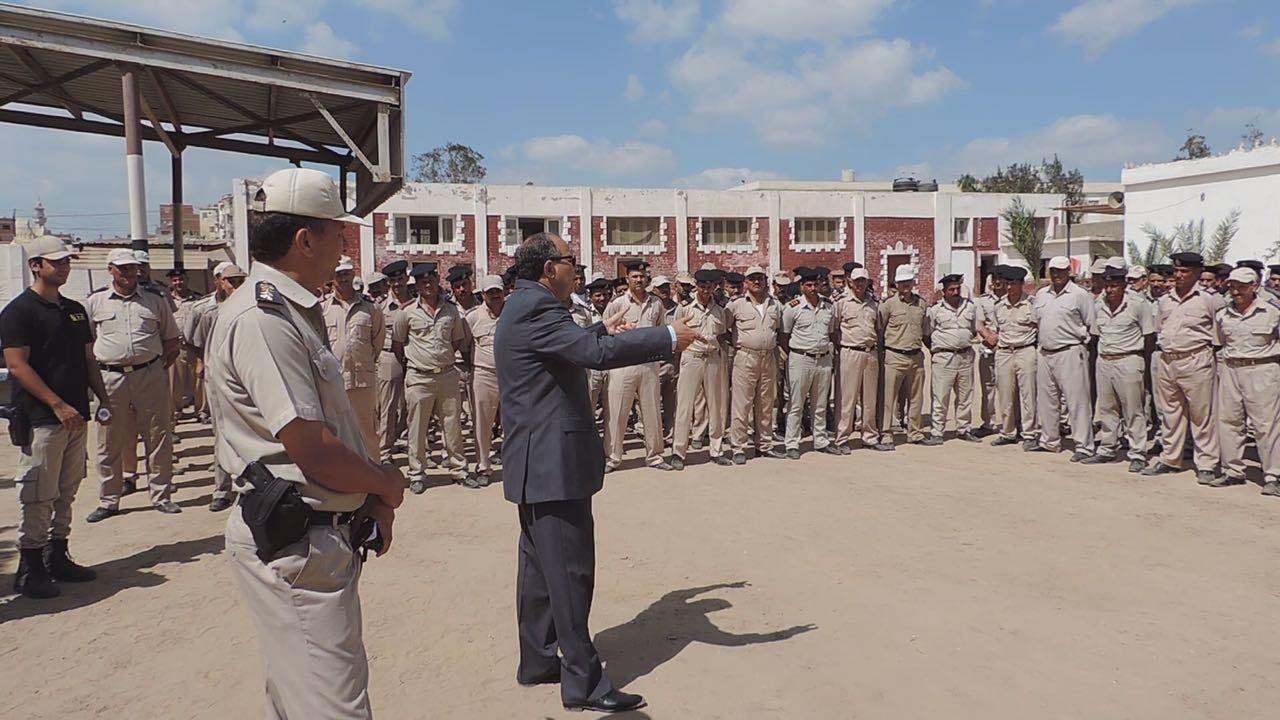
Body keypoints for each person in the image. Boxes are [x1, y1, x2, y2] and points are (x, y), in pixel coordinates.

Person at [205, 168, 403, 718]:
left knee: (299, 697)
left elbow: (329, 430)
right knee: (332, 705)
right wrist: (386, 483)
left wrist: (366, 499)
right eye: (338, 232)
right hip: (297, 543)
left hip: (313, 534)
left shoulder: (290, 309)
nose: (345, 243)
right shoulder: (264, 318)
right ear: (305, 239)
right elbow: (311, 447)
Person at [496, 232, 695, 715]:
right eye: (570, 261)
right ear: (548, 269)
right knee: (570, 573)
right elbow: (593, 357)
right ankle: (584, 683)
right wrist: (668, 336)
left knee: (540, 572)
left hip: (534, 463)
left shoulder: (524, 305)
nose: (577, 269)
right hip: (553, 464)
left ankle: (539, 659)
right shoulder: (539, 308)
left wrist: (605, 330)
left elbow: (576, 345)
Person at [2, 235, 106, 599]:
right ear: (36, 265)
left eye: (66, 261)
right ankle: (30, 568)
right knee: (37, 493)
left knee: (67, 489)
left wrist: (101, 399)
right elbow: (17, 365)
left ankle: (57, 554)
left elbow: (87, 359)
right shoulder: (19, 312)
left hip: (76, 415)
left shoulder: (73, 309)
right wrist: (57, 405)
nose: (64, 266)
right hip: (43, 418)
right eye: (56, 261)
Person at [84, 248, 182, 522]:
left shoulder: (155, 301)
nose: (127, 273)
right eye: (121, 268)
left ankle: (161, 496)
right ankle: (109, 500)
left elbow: (171, 340)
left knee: (158, 436)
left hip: (149, 375)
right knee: (109, 439)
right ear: (110, 269)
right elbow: (88, 344)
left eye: (131, 268)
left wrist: (156, 367)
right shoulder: (96, 302)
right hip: (109, 378)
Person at [1142, 252, 1224, 483]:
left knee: (1202, 415)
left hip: (1196, 360)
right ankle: (1171, 458)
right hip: (1169, 360)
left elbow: (1219, 336)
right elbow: (1160, 329)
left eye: (1184, 271)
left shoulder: (1210, 299)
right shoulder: (1165, 299)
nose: (1178, 275)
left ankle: (1206, 463)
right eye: (1176, 271)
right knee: (1170, 413)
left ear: (1197, 273)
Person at [394, 261, 470, 491]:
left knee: (453, 424)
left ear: (438, 281)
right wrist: (416, 364)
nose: (428, 285)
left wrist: (441, 359)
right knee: (417, 427)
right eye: (422, 281)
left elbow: (456, 341)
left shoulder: (451, 311)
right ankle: (417, 473)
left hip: (446, 375)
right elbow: (398, 344)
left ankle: (458, 469)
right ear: (416, 285)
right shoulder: (406, 313)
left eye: (431, 280)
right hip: (419, 377)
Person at [1211, 267, 1280, 493]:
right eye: (1232, 286)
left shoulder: (1272, 312)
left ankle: (1273, 476)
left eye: (1241, 286)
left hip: (1262, 370)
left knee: (1266, 424)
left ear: (1255, 287)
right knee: (1229, 422)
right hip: (1231, 368)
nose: (1236, 291)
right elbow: (1220, 342)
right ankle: (1233, 470)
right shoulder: (1222, 314)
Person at [603, 260, 672, 471]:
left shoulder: (656, 304)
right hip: (623, 365)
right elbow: (605, 332)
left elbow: (660, 331)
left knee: (651, 412)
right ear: (627, 279)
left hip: (648, 365)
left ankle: (655, 456)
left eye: (642, 277)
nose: (639, 280)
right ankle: (613, 458)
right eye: (634, 277)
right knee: (617, 413)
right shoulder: (617, 304)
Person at [1084, 267, 1155, 472]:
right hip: (1105, 360)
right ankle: (1107, 448)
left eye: (1114, 285)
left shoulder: (1138, 304)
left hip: (1129, 359)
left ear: (1124, 285)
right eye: (1107, 285)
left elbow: (1149, 336)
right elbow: (1097, 334)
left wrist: (1142, 363)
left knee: (1133, 410)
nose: (1110, 290)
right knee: (1107, 409)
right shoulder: (1099, 305)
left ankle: (1138, 452)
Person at [190, 262, 247, 511]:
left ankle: (248, 487)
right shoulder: (207, 310)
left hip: (245, 378)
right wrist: (204, 361)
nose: (236, 285)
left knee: (249, 432)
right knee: (222, 434)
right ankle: (221, 489)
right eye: (230, 281)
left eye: (239, 280)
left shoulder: (250, 307)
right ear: (219, 281)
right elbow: (194, 341)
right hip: (218, 379)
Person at [1030, 256, 1096, 461]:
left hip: (1070, 351)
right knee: (1046, 400)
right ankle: (1049, 441)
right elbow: (1035, 322)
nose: (1056, 275)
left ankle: (1084, 445)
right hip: (1045, 352)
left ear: (1069, 272)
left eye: (1060, 270)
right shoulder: (1041, 295)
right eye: (1053, 271)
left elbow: (1091, 326)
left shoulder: (1080, 295)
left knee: (1077, 401)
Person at [323, 255, 386, 460]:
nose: (343, 278)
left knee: (367, 431)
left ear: (353, 274)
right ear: (332, 277)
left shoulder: (370, 308)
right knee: (336, 432)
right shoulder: (322, 309)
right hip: (333, 380)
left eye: (347, 274)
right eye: (339, 274)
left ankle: (374, 478)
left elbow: (377, 343)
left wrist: (363, 362)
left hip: (362, 380)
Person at [671, 269, 731, 469]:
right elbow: (677, 333)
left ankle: (716, 449)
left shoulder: (720, 309)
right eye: (703, 287)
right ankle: (678, 452)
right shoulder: (685, 308)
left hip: (713, 358)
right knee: (685, 406)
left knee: (717, 406)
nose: (706, 291)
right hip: (692, 357)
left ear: (714, 287)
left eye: (710, 287)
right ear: (696, 286)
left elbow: (721, 333)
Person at [725, 265, 785, 463]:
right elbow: (725, 330)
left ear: (766, 281)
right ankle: (739, 447)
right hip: (745, 357)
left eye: (760, 278)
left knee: (766, 403)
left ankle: (764, 445)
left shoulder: (775, 305)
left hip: (768, 357)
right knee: (741, 404)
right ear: (746, 283)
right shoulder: (736, 306)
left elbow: (777, 330)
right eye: (752, 279)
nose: (757, 282)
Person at [781, 266, 840, 459]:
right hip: (800, 358)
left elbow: (832, 332)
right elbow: (784, 335)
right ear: (801, 286)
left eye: (816, 284)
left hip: (823, 358)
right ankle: (791, 443)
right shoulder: (793, 308)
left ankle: (820, 440)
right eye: (809, 285)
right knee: (796, 403)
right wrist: (796, 353)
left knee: (820, 403)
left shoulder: (829, 306)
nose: (813, 288)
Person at [983, 265, 1039, 448]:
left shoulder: (1031, 304)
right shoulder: (999, 306)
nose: (1008, 287)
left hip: (1026, 350)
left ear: (1021, 284)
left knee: (1028, 394)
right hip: (1005, 352)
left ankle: (1030, 433)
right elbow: (995, 329)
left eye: (1013, 283)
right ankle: (1008, 432)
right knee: (1005, 394)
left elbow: (1039, 327)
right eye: (1007, 283)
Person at [833, 267, 886, 451]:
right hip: (850, 352)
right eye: (857, 281)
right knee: (847, 398)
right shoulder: (842, 303)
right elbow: (834, 329)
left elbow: (878, 329)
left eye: (863, 280)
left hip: (870, 353)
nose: (860, 284)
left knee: (870, 400)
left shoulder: (874, 304)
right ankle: (842, 438)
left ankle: (869, 436)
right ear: (850, 282)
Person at [924, 273, 981, 444]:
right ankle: (937, 432)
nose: (955, 292)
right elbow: (927, 334)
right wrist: (939, 349)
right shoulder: (935, 310)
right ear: (944, 291)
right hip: (944, 357)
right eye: (951, 289)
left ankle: (963, 429)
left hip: (965, 356)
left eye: (958, 289)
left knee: (965, 395)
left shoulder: (970, 307)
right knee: (940, 396)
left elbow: (972, 330)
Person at [878, 265, 928, 447]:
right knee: (888, 398)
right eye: (902, 282)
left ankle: (914, 432)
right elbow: (880, 330)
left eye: (908, 281)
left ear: (913, 282)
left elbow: (925, 330)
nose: (905, 285)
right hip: (894, 356)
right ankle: (886, 434)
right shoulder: (888, 305)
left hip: (916, 356)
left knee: (916, 397)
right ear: (896, 284)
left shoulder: (921, 304)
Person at [464, 274, 505, 487]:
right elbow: (464, 345)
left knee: (516, 421)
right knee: (483, 422)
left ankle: (514, 464)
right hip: (483, 374)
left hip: (511, 375)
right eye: (491, 292)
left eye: (498, 291)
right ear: (482, 295)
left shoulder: (512, 314)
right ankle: (483, 466)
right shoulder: (472, 317)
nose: (495, 295)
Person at [376, 260, 412, 463]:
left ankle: (416, 448)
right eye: (393, 281)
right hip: (389, 357)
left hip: (414, 356)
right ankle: (385, 451)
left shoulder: (417, 303)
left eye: (400, 279)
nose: (397, 284)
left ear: (406, 278)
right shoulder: (381, 307)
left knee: (415, 405)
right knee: (388, 406)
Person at [974, 268, 1007, 436]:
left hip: (1008, 348)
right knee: (988, 389)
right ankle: (988, 423)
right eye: (995, 278)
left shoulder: (1012, 299)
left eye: (1000, 278)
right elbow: (979, 324)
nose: (998, 282)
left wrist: (1001, 339)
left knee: (1009, 389)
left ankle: (1012, 424)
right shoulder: (983, 301)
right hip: (988, 349)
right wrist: (990, 339)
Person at [167, 268, 201, 418]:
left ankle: (201, 411)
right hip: (176, 346)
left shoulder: (198, 299)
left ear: (187, 279)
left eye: (181, 279)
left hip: (194, 346)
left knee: (199, 380)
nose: (178, 282)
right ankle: (175, 411)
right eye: (175, 280)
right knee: (175, 382)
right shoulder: (167, 300)